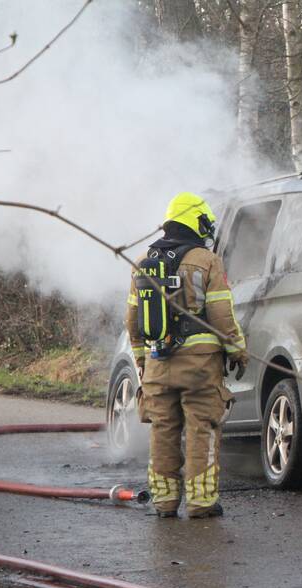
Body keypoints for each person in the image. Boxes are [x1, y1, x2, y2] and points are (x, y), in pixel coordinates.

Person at [125, 192, 246, 519]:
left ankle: (164, 502)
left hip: (157, 364)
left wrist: (141, 360)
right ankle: (201, 502)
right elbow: (221, 315)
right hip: (199, 366)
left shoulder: (143, 261)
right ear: (195, 221)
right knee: (201, 429)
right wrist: (237, 351)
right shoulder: (207, 260)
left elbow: (132, 321)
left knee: (162, 431)